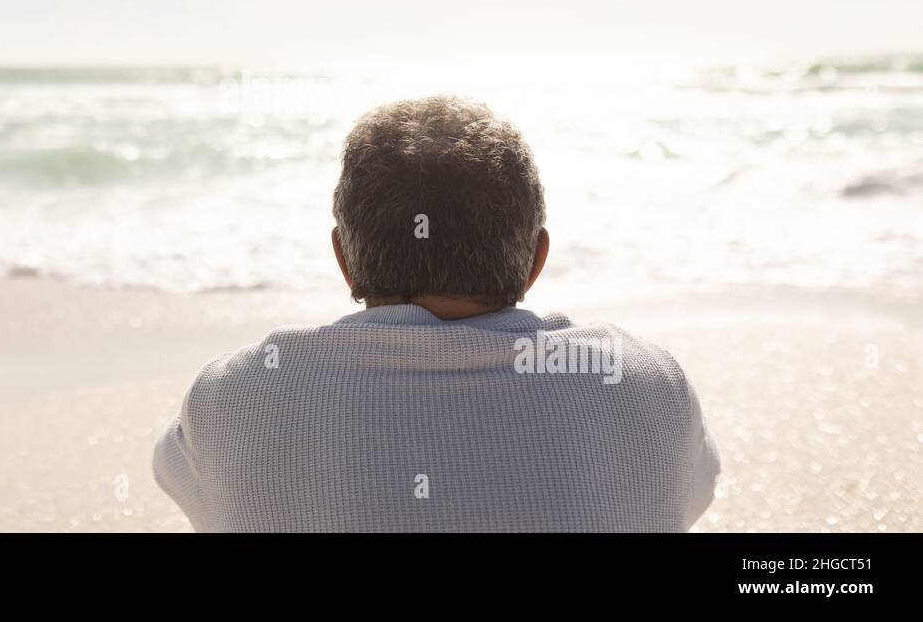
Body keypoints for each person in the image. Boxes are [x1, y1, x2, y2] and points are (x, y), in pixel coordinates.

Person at [154, 95, 719, 531]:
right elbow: (688, 496)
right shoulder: (647, 385)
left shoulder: (234, 394)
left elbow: (188, 485)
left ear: (344, 258)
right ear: (536, 258)